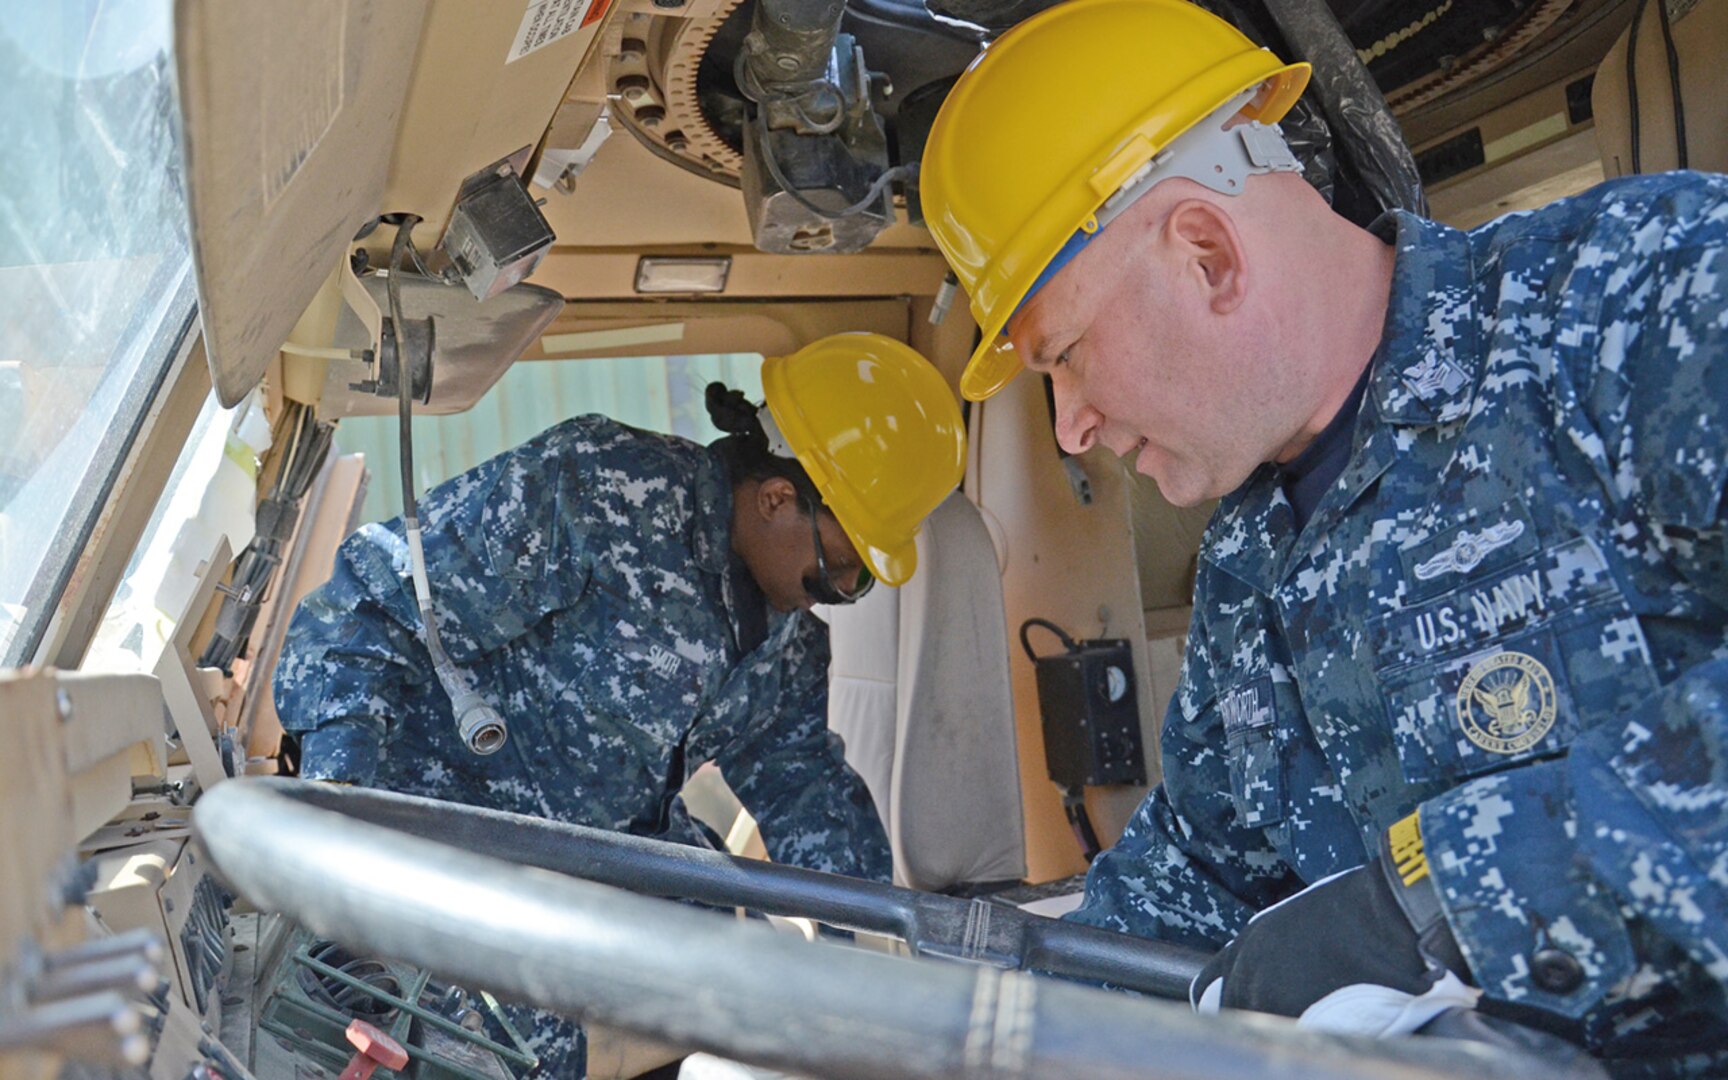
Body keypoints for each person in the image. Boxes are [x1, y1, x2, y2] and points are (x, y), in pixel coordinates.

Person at [920, 0, 1728, 1071]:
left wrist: (1440, 906)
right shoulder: (1251, 556)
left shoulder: (1644, 291)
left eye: (1063, 355)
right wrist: (975, 1034)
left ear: (1205, 255)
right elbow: (1198, 875)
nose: (1070, 426)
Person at [273, 332, 966, 1076]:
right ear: (776, 498)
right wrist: (341, 830)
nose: (839, 596)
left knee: (761, 990)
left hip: (608, 870)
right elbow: (362, 615)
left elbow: (802, 782)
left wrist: (870, 949)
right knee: (502, 1053)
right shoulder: (594, 493)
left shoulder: (785, 638)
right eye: (842, 572)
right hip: (449, 849)